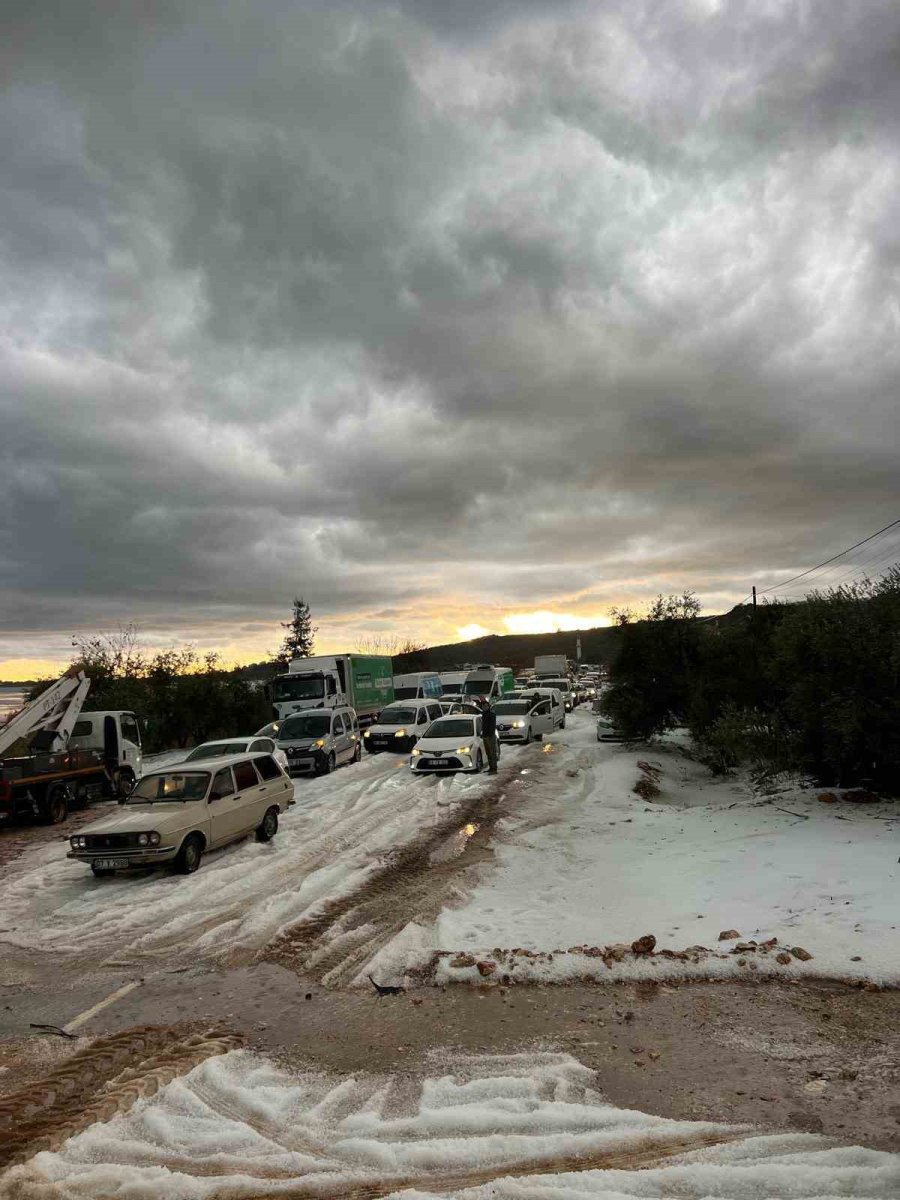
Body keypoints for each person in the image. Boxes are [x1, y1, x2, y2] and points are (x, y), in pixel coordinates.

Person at [479, 695, 499, 774]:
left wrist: (489, 734)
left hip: (490, 736)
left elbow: (492, 726)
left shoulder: (492, 715)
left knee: (492, 752)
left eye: (486, 706)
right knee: (488, 753)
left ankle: (494, 768)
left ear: (489, 706)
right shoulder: (483, 715)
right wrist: (483, 734)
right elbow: (483, 726)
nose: (484, 707)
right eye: (483, 706)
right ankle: (491, 767)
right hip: (485, 736)